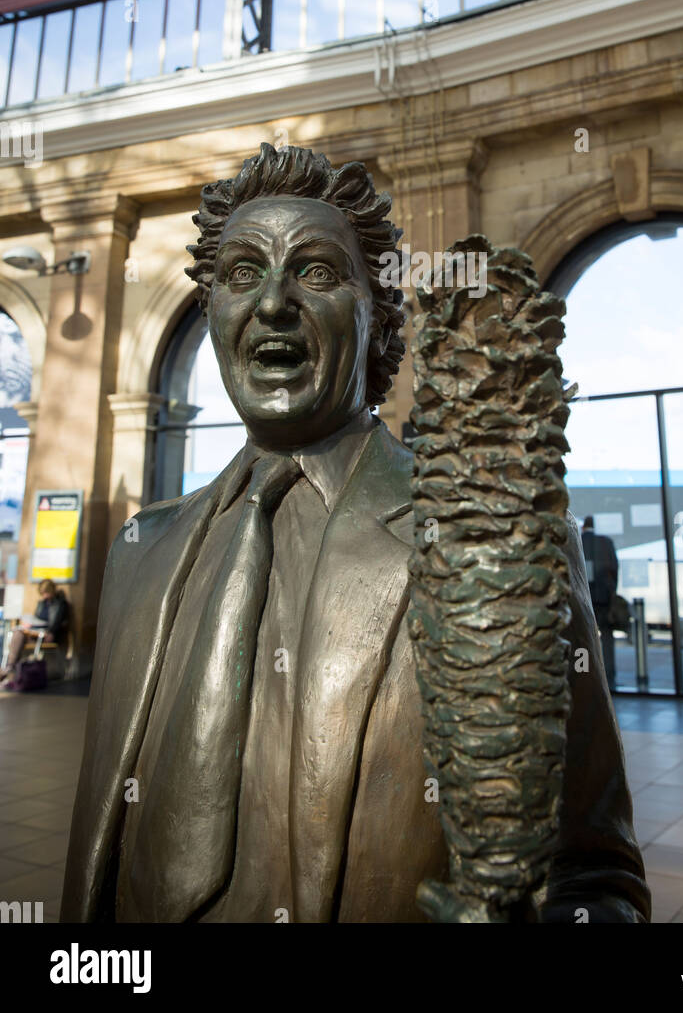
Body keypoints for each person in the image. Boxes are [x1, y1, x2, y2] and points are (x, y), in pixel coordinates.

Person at [62, 143, 649, 925]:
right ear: (212, 315)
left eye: (315, 272)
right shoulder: (142, 551)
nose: (272, 303)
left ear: (378, 320)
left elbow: (598, 883)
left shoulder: (487, 533)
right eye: (241, 275)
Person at [0, 578, 68, 684]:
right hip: (36, 632)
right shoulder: (41, 604)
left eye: (46, 593)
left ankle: (11, 668)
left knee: (19, 638)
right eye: (42, 593)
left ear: (51, 591)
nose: (44, 595)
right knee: (18, 633)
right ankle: (10, 667)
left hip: (48, 635)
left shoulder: (60, 604)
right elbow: (36, 618)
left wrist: (51, 633)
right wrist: (29, 625)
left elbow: (57, 622)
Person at [581, 514, 619, 691]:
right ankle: (609, 676)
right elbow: (614, 570)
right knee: (607, 637)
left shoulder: (577, 541)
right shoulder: (606, 542)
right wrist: (611, 594)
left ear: (583, 526)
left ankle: (583, 673)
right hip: (604, 598)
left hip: (583, 600)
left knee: (584, 638)